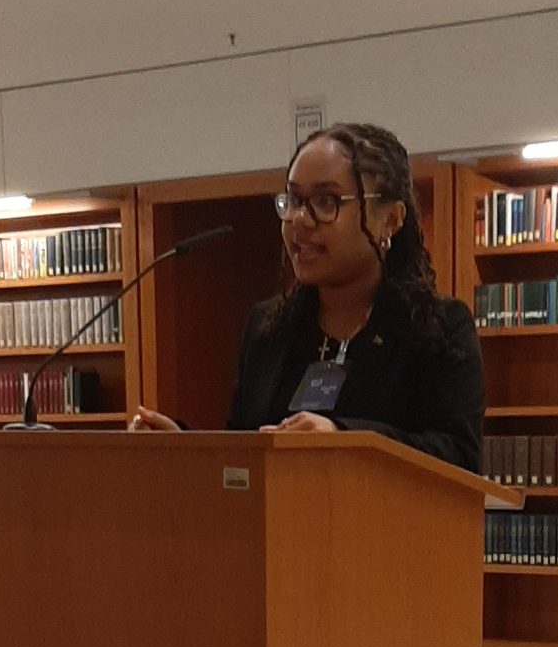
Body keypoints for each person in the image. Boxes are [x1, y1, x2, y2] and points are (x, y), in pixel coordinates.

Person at [130, 121, 484, 470]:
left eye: (326, 201)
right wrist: (184, 446)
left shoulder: (438, 328)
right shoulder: (268, 328)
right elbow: (243, 455)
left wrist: (342, 438)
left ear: (389, 219)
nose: (300, 219)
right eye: (294, 200)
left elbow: (458, 456)